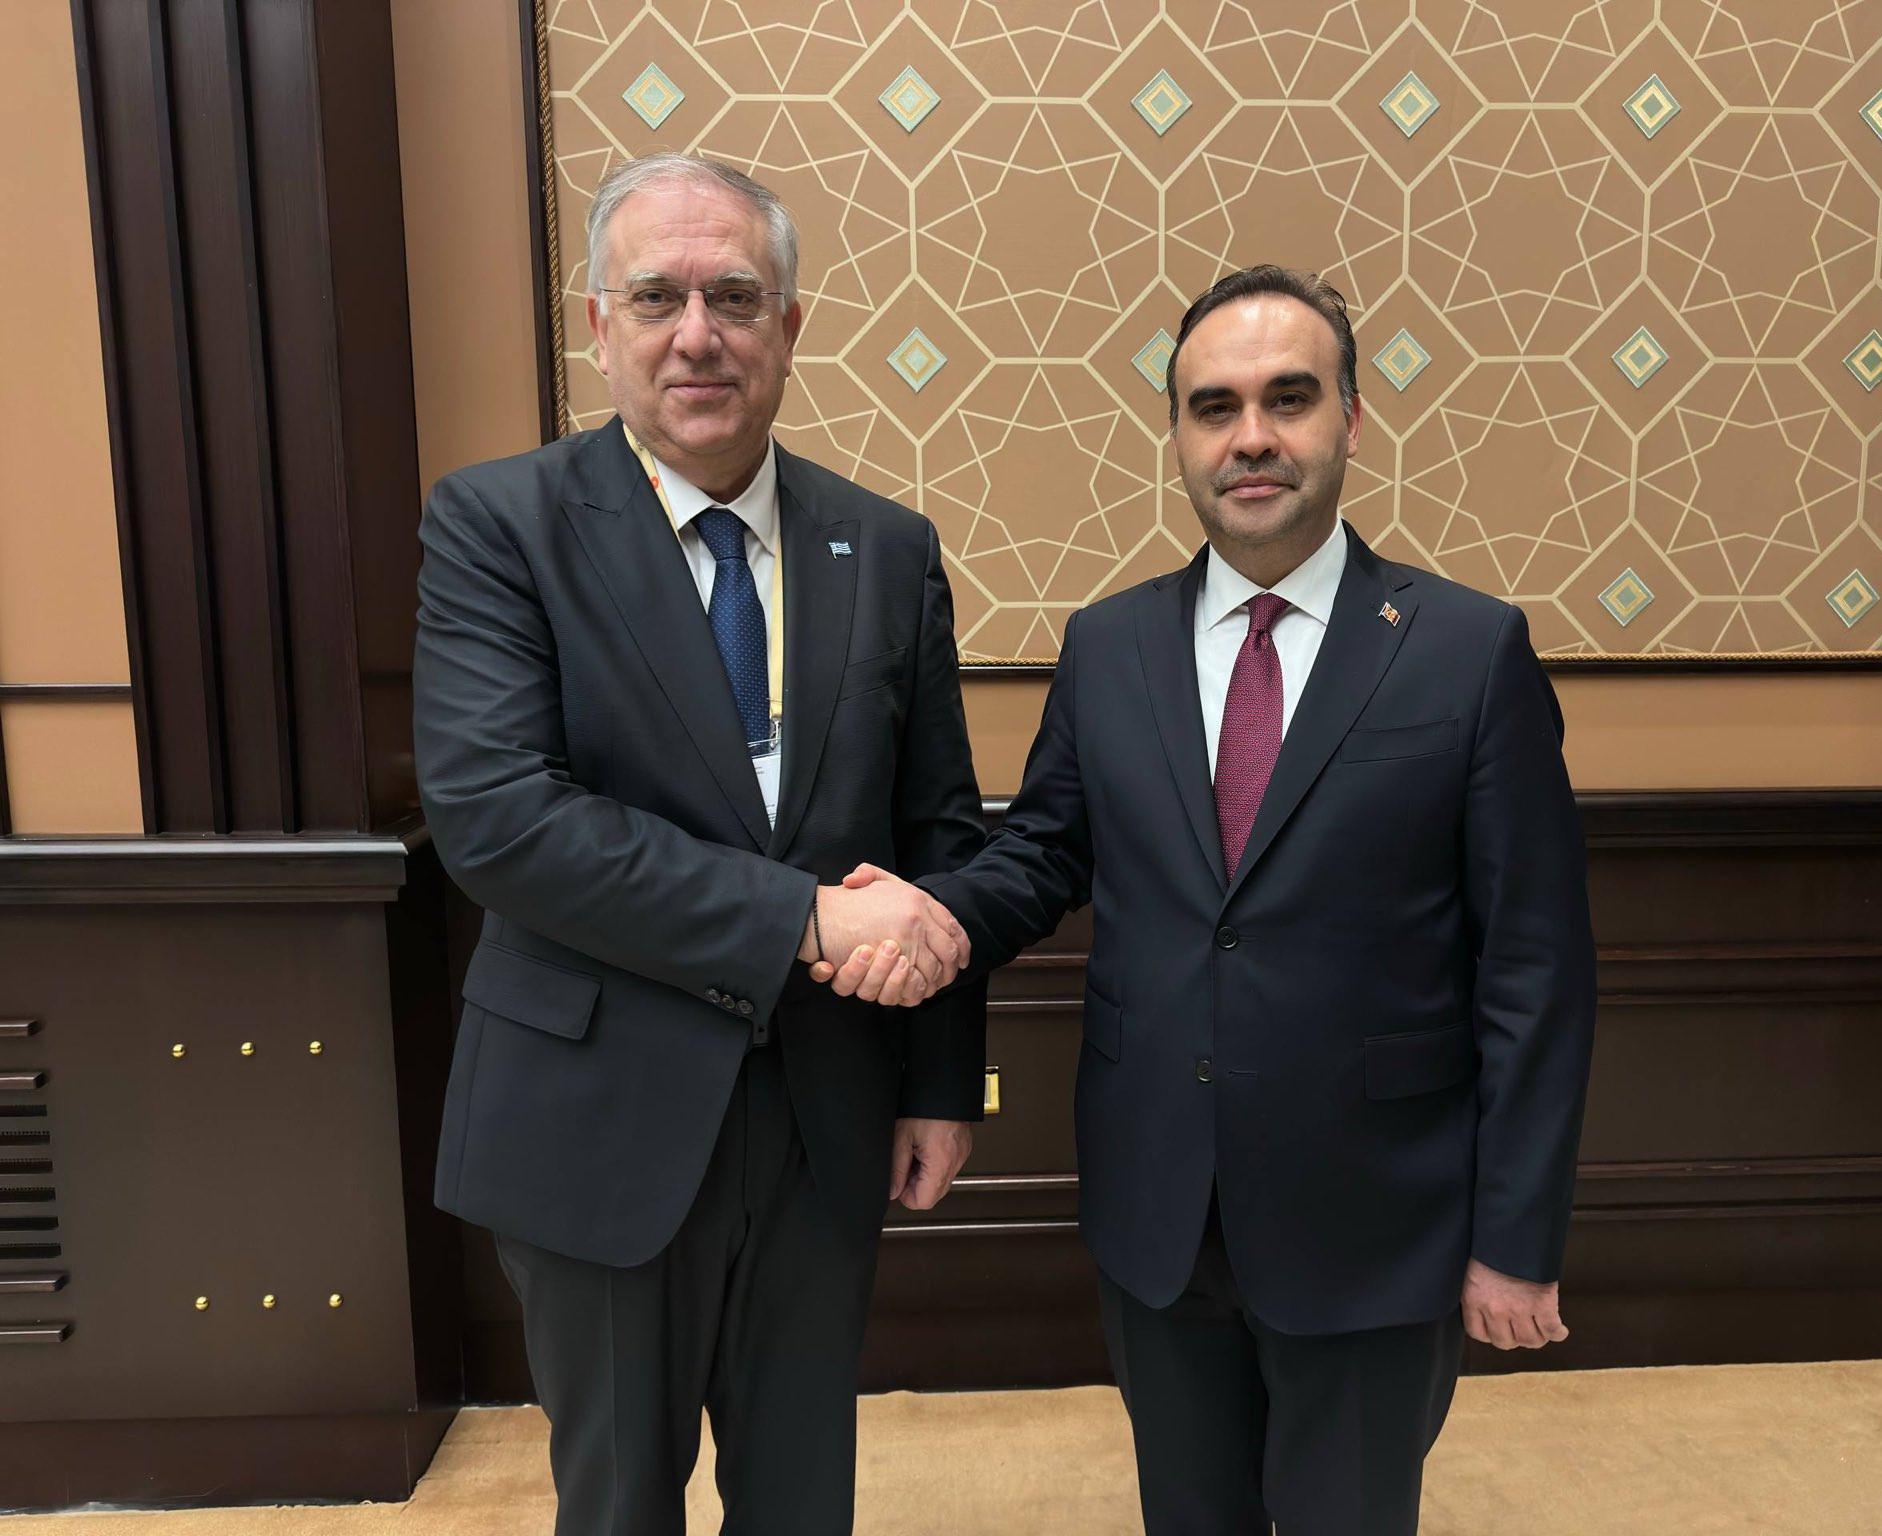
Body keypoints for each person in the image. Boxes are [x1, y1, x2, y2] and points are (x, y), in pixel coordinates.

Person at [822, 265, 1597, 1534]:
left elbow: (1535, 969)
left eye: (1288, 399)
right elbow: (1045, 853)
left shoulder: (1467, 651)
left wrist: (1515, 1238)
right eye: (1213, 406)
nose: (1249, 437)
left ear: (1351, 420)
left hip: (1374, 1220)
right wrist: (937, 916)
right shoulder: (1108, 643)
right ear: (1177, 435)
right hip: (1157, 1210)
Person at [413, 152, 984, 1535]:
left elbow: (939, 830)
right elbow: (502, 821)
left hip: (825, 1117)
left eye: (733, 297)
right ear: (597, 325)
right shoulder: (499, 526)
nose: (696, 335)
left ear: (789, 325)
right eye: (654, 297)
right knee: (620, 1506)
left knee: (802, 1499)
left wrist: (942, 1082)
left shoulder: (885, 547)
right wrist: (803, 917)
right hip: (597, 1113)